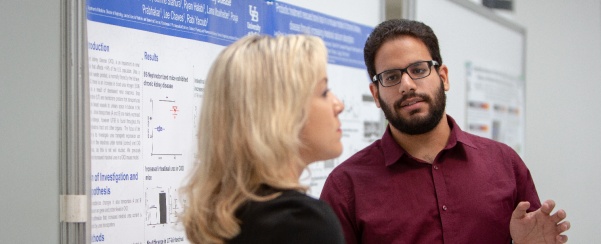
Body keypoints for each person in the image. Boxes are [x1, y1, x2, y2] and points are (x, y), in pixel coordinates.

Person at [320, 19, 570, 244]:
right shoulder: (345, 187)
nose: (407, 86)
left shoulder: (504, 163)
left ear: (443, 77)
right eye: (391, 77)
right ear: (376, 94)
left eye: (418, 70)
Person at [180, 34, 346, 244]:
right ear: (282, 113)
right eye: (324, 92)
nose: (339, 105)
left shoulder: (224, 218)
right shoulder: (302, 224)